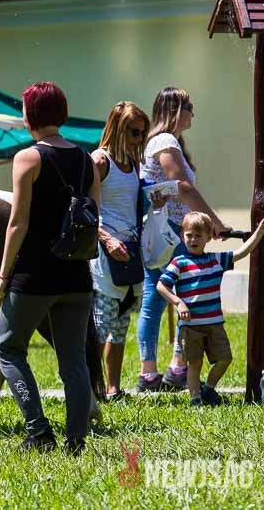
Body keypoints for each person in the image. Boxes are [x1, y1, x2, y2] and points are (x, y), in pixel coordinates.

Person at [0, 82, 100, 453]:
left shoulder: (28, 158)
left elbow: (17, 222)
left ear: (31, 114)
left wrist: (2, 275)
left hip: (34, 275)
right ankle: (77, 440)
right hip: (78, 276)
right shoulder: (87, 160)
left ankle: (38, 431)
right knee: (74, 362)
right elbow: (93, 217)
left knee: (8, 349)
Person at [136, 87, 231, 393]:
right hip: (169, 230)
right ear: (175, 109)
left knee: (159, 298)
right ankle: (161, 370)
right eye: (189, 106)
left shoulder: (167, 141)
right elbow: (184, 187)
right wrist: (214, 223)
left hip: (170, 229)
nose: (193, 113)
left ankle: (163, 369)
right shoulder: (165, 141)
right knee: (170, 297)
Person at [89, 102, 165, 400]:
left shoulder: (133, 163)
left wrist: (153, 202)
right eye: (134, 132)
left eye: (142, 133)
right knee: (101, 325)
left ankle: (113, 388)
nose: (139, 139)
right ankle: (90, 390)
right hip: (105, 254)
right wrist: (107, 239)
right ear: (118, 129)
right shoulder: (99, 161)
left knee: (120, 326)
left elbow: (132, 206)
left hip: (130, 252)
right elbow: (85, 209)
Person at [157, 212, 264, 405]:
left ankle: (208, 389)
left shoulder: (216, 260)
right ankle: (196, 400)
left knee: (225, 358)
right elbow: (161, 286)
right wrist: (178, 302)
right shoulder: (179, 263)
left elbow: (242, 252)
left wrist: (259, 232)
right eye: (189, 235)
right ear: (182, 236)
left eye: (198, 235)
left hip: (214, 324)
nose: (193, 240)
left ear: (209, 237)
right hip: (190, 326)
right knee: (194, 363)